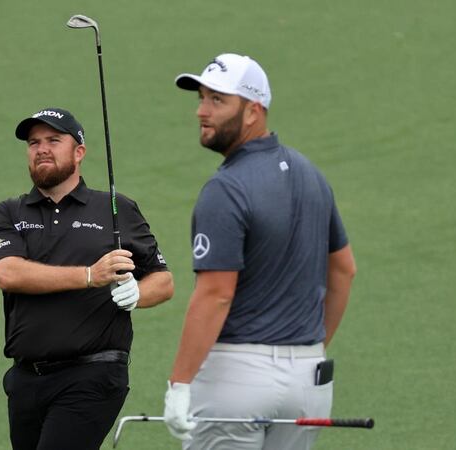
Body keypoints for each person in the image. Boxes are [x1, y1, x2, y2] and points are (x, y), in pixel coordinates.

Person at [162, 53, 357, 450]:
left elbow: (216, 293)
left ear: (253, 111)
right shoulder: (312, 175)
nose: (202, 111)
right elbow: (344, 270)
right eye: (201, 98)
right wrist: (310, 348)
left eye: (218, 101)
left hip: (236, 379)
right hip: (309, 379)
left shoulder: (226, 189)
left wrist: (180, 383)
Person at [0, 107, 174, 450]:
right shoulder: (8, 213)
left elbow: (163, 281)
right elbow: (8, 273)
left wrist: (137, 293)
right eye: (34, 142)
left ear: (79, 152)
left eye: (54, 140)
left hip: (93, 373)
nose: (41, 148)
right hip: (26, 378)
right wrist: (90, 275)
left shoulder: (115, 208)